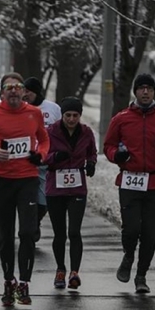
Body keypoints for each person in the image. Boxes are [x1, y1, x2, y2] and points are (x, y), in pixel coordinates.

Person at [0, 72, 49, 306]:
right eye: (10, 87)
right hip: (2, 181)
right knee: (5, 236)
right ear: (2, 92)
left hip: (27, 180)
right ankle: (9, 280)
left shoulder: (33, 113)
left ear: (24, 91)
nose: (14, 91)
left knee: (27, 232)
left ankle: (24, 284)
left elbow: (44, 140)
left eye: (18, 87)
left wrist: (40, 155)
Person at [103, 73, 155, 294]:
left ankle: (141, 275)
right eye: (141, 88)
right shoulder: (121, 118)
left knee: (150, 232)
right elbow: (108, 146)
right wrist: (117, 155)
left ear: (154, 92)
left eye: (149, 88)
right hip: (130, 181)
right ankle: (128, 255)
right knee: (131, 228)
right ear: (135, 91)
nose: (146, 92)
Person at [44, 97, 97, 290]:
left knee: (74, 232)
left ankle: (75, 272)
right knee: (60, 234)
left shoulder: (87, 132)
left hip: (77, 188)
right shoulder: (50, 132)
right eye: (68, 115)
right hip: (55, 189)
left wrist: (91, 163)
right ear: (62, 115)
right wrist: (55, 157)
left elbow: (92, 151)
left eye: (75, 115)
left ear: (80, 116)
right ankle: (60, 269)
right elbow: (42, 155)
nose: (72, 119)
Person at [24, 76, 62, 242]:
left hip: (47, 159)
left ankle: (36, 221)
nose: (25, 94)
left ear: (36, 92)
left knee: (44, 199)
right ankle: (30, 226)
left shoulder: (53, 108)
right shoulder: (21, 108)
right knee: (26, 196)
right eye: (23, 91)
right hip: (26, 160)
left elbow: (61, 132)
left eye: (28, 92)